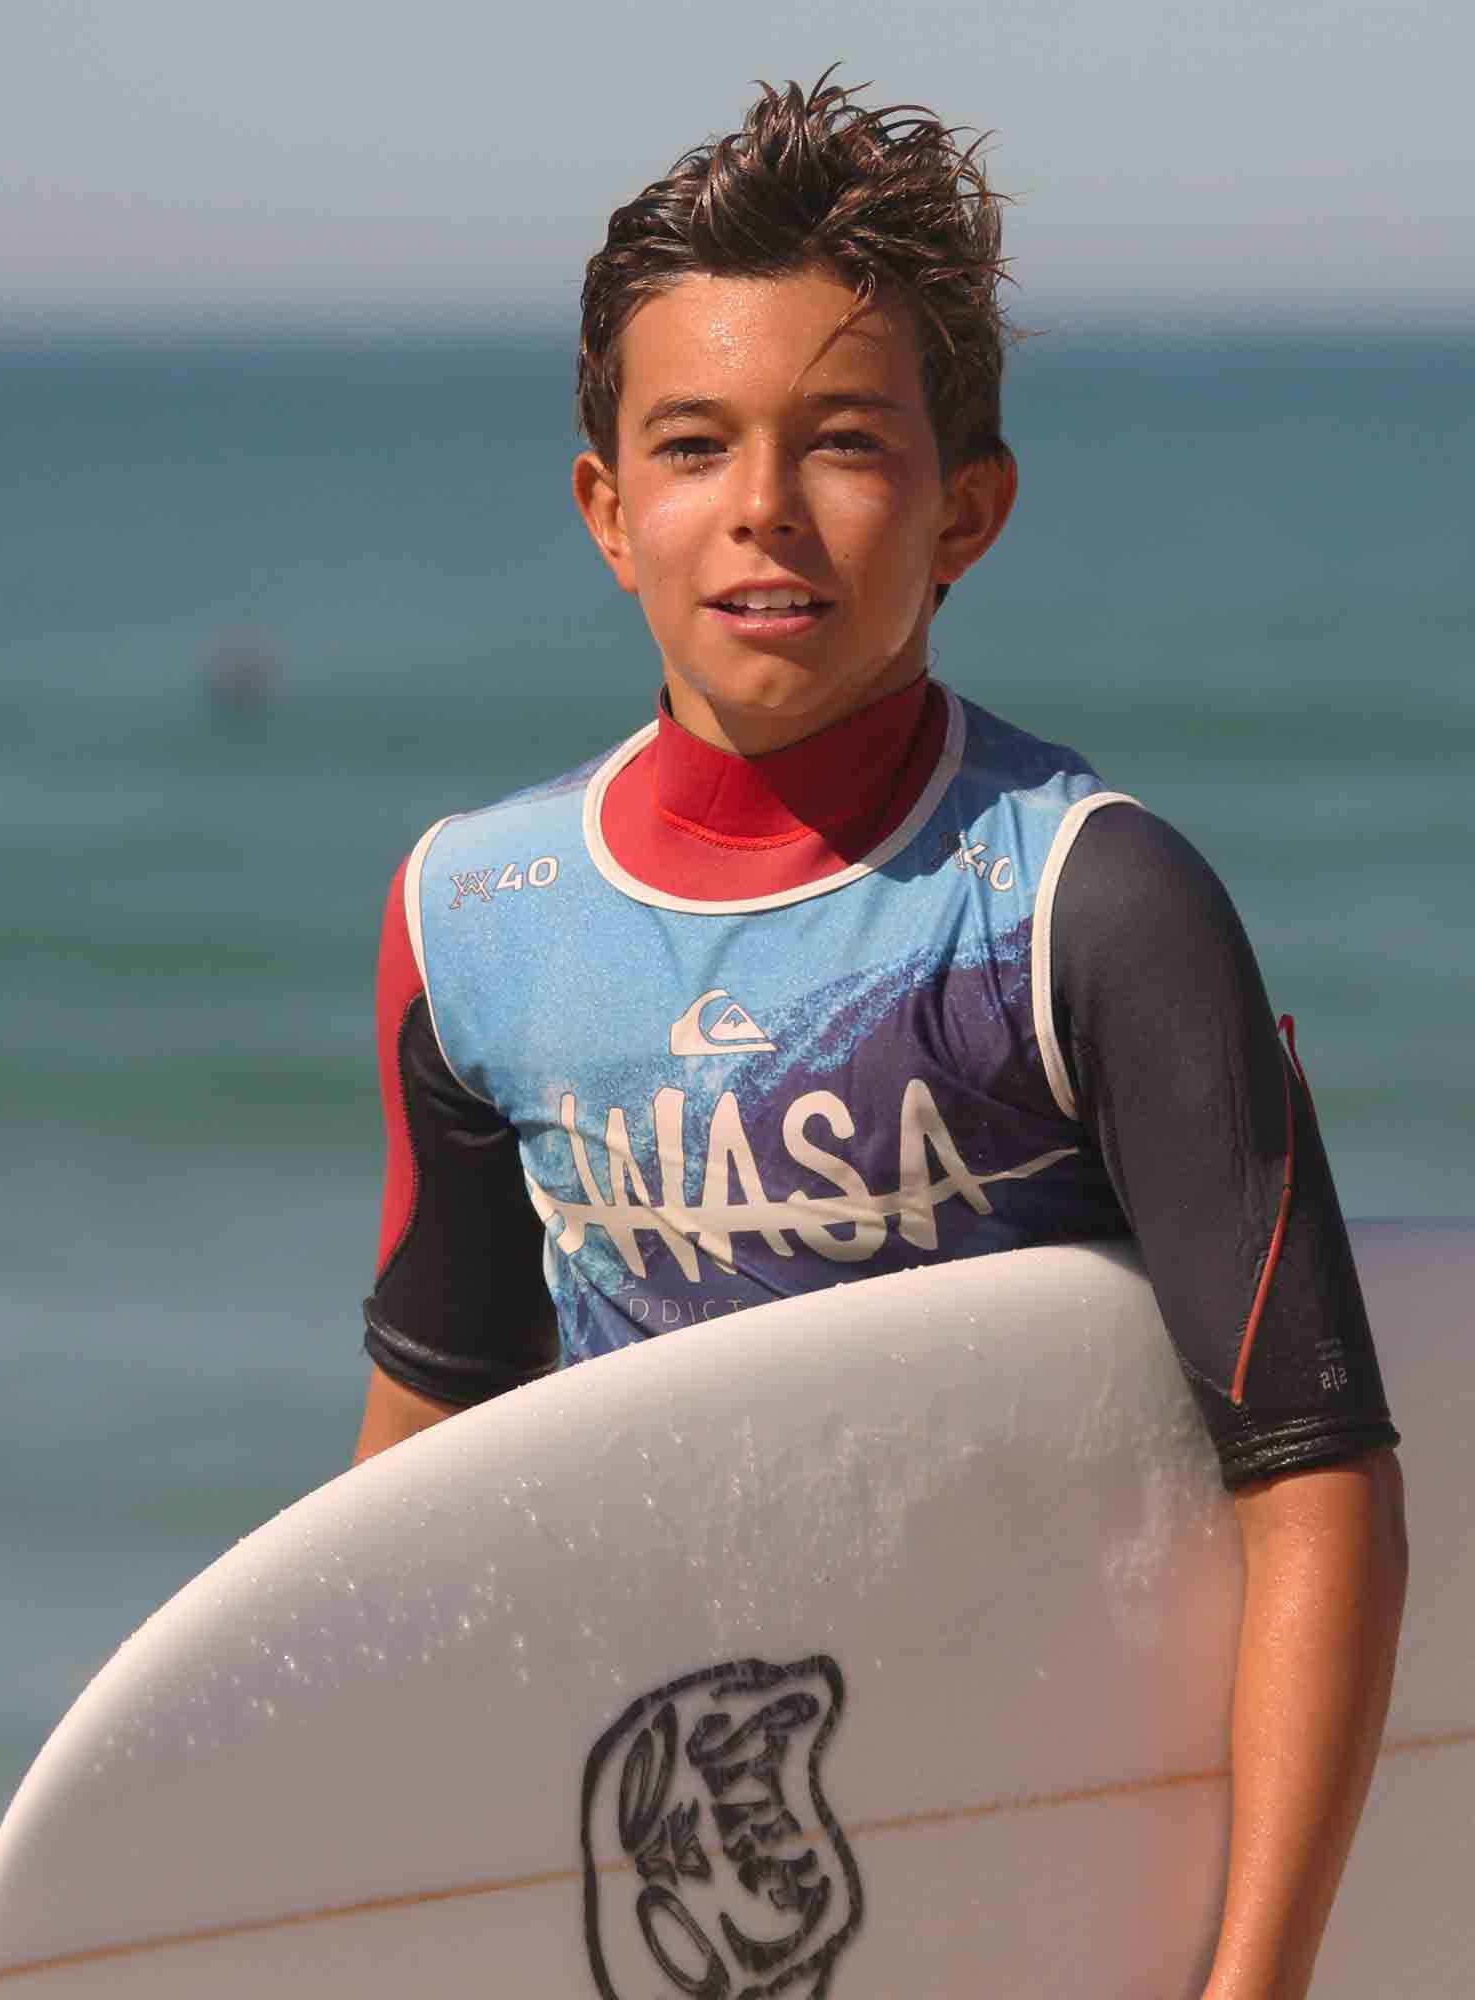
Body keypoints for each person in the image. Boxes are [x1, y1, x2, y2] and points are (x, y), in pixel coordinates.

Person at [352, 74, 1406, 1998]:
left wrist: (1255, 1979)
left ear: (965, 509)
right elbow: (426, 1457)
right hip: (662, 1861)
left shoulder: (1083, 902)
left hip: (1042, 1846)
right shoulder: (473, 922)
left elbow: (1314, 1461)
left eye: (843, 443)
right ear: (607, 509)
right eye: (690, 446)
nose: (760, 508)